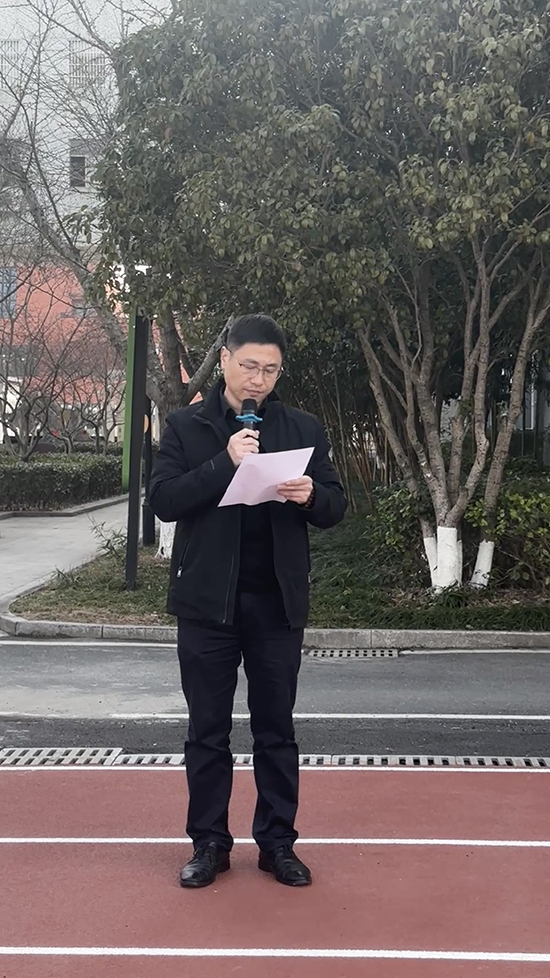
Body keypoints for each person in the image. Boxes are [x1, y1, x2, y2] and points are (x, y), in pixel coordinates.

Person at [149, 313, 347, 889]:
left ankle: (278, 844)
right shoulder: (186, 426)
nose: (258, 379)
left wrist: (310, 495)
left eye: (270, 370)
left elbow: (335, 505)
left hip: (276, 604)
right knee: (207, 731)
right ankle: (209, 843)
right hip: (207, 604)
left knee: (276, 730)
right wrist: (224, 462)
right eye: (249, 366)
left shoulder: (301, 426)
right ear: (225, 361)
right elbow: (164, 500)